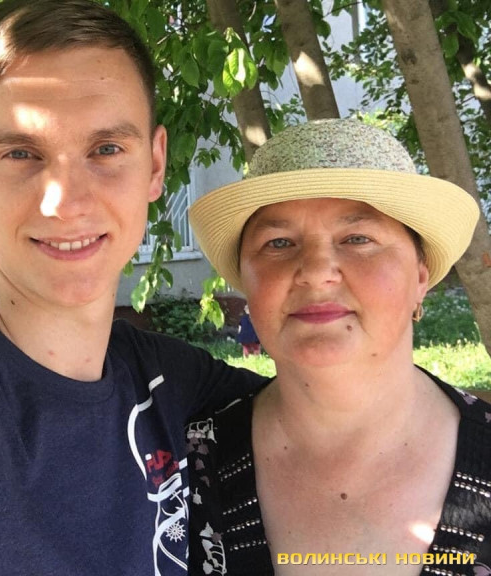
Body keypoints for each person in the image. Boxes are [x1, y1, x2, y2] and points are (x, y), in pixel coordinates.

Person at [0, 0, 264, 576]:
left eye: (106, 149)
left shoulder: (174, 384)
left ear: (154, 164)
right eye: (22, 153)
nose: (66, 203)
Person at [185, 119, 491, 575]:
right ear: (245, 282)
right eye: (279, 243)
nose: (315, 271)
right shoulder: (178, 475)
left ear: (420, 277)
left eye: (358, 239)